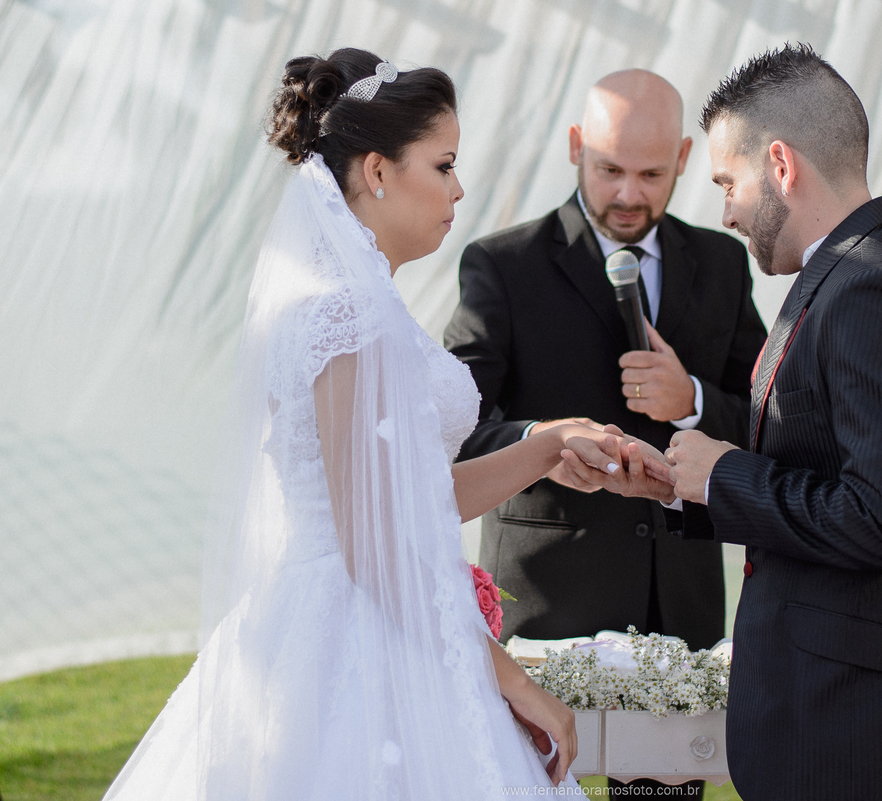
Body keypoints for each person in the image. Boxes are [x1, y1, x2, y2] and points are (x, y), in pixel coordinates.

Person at [100, 48, 622, 799]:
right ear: (377, 171)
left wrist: (544, 450)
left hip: (363, 610)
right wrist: (512, 681)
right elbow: (375, 544)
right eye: (443, 165)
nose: (459, 188)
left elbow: (403, 496)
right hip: (355, 634)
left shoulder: (358, 306)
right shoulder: (344, 315)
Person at [565, 44, 882, 801]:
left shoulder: (875, 290)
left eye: (728, 182)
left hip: (853, 726)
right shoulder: (839, 276)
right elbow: (818, 469)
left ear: (780, 166)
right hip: (818, 707)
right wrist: (684, 486)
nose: (724, 211)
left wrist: (724, 474)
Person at [443, 69, 767, 654]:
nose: (628, 196)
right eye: (610, 170)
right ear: (576, 146)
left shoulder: (723, 263)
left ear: (684, 157)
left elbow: (770, 423)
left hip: (684, 612)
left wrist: (692, 400)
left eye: (651, 175)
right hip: (548, 612)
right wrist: (540, 446)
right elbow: (450, 429)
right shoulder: (504, 266)